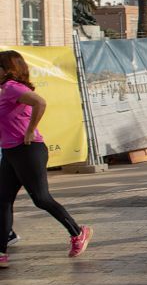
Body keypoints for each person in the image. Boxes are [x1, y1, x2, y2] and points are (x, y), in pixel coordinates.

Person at [0, 51, 91, 267]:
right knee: (2, 200)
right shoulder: (4, 90)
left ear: (7, 69)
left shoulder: (13, 87)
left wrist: (31, 130)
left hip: (28, 149)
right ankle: (1, 252)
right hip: (11, 152)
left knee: (41, 198)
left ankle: (78, 232)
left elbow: (40, 102)